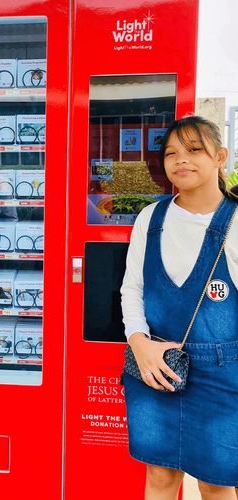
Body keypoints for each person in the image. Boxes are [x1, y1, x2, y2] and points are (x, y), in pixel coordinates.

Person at [121, 115, 237, 499]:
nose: (180, 160)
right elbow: (131, 290)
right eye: (171, 153)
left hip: (223, 375)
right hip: (155, 367)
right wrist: (140, 343)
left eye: (193, 150)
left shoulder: (235, 223)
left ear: (220, 157)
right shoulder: (150, 219)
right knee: (159, 476)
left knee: (216, 484)